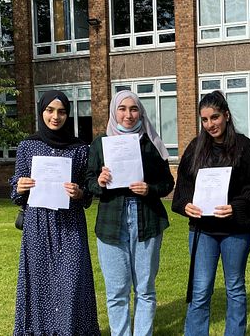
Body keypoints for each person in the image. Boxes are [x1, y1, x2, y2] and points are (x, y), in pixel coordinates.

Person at [171, 90, 250, 336]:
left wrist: (236, 207)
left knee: (235, 288)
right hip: (203, 232)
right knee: (201, 290)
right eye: (204, 120)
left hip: (235, 231)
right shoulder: (195, 148)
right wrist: (185, 206)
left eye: (214, 117)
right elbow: (182, 188)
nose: (210, 124)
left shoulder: (245, 148)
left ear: (226, 115)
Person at [10, 90, 100, 336]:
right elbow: (15, 191)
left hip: (69, 224)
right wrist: (19, 186)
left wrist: (80, 193)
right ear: (42, 112)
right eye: (50, 110)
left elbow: (89, 191)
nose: (55, 116)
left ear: (67, 115)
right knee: (40, 283)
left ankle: (72, 330)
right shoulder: (28, 146)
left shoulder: (80, 148)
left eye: (61, 111)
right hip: (37, 224)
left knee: (71, 283)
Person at [86, 90, 175, 336]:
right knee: (117, 290)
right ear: (114, 111)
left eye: (133, 109)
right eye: (122, 109)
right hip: (111, 224)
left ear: (140, 112)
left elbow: (167, 183)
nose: (128, 114)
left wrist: (149, 189)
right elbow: (89, 181)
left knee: (145, 289)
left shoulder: (151, 143)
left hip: (147, 220)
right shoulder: (100, 143)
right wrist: (100, 182)